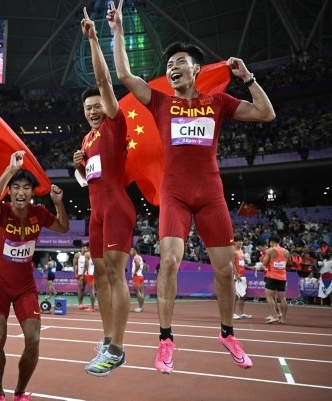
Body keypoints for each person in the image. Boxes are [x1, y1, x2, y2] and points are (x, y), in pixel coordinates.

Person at [109, 0, 275, 373]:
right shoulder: (160, 102)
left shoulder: (218, 101)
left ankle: (228, 334)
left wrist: (248, 78)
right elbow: (124, 75)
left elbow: (266, 113)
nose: (172, 68)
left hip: (210, 193)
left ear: (195, 69)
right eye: (169, 64)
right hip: (175, 193)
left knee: (226, 269)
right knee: (169, 261)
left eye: (179, 62)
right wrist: (117, 30)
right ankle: (165, 340)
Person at [72, 7, 136, 377]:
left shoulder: (114, 123)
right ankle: (108, 338)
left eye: (97, 106)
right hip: (96, 212)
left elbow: (104, 80)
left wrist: (95, 39)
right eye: (88, 108)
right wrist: (81, 166)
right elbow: (91, 179)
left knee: (115, 273)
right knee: (100, 275)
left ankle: (117, 348)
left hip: (117, 208)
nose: (94, 111)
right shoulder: (87, 138)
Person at [0, 150, 69, 401]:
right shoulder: (0, 211)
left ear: (33, 193)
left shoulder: (39, 213)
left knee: (33, 339)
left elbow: (64, 227)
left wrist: (58, 202)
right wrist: (10, 170)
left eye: (26, 188)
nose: (21, 192)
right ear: (9, 191)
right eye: (16, 187)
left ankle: (20, 392)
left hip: (25, 287)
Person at [262, 235, 290, 324]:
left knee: (269, 296)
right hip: (282, 277)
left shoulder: (270, 250)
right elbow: (289, 263)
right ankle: (283, 318)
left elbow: (264, 264)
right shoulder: (286, 251)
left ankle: (274, 316)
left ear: (271, 242)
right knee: (283, 298)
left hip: (272, 276)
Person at [130, 246, 145, 312]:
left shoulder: (136, 257)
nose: (130, 252)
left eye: (131, 250)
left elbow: (138, 265)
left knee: (138, 292)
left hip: (137, 276)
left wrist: (135, 272)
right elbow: (142, 265)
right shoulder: (140, 257)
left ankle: (140, 307)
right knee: (141, 292)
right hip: (141, 275)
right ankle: (141, 307)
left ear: (135, 251)